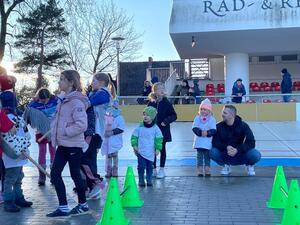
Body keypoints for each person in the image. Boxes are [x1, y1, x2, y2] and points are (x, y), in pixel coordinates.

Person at [47, 70, 89, 217]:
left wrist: (65, 131)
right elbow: (57, 121)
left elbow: (82, 125)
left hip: (73, 145)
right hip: (62, 144)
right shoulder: (62, 100)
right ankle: (63, 207)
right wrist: (54, 133)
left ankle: (83, 204)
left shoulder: (76, 102)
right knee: (55, 173)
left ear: (71, 82)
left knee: (75, 174)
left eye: (62, 79)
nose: (59, 82)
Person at [0, 90, 32, 212]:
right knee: (11, 177)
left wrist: (23, 149)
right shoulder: (7, 116)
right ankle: (8, 200)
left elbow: (22, 133)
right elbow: (11, 136)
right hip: (11, 152)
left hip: (18, 150)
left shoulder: (14, 115)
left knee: (18, 176)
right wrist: (23, 149)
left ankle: (19, 197)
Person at [210, 105, 261, 176]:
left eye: (225, 113)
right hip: (226, 153)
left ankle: (249, 165)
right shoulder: (218, 126)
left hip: (240, 153)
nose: (222, 114)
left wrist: (237, 150)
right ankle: (225, 165)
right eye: (222, 112)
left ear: (232, 115)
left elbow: (251, 142)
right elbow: (215, 143)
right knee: (212, 152)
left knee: (256, 154)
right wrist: (226, 147)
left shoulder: (243, 126)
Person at [28, 88, 58, 186]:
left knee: (53, 151)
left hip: (52, 130)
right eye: (42, 100)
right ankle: (42, 175)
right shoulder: (35, 104)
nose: (44, 102)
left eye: (46, 100)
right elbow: (28, 111)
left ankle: (54, 174)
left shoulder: (55, 101)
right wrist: (34, 101)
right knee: (42, 152)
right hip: (41, 131)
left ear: (49, 97)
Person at [148, 82, 177, 178]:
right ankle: (153, 169)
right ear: (155, 91)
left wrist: (166, 121)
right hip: (152, 131)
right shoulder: (151, 103)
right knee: (153, 150)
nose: (161, 90)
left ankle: (162, 169)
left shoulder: (167, 103)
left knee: (162, 149)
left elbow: (174, 115)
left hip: (163, 131)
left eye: (162, 88)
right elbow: (146, 114)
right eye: (159, 89)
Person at [131, 106, 163, 187]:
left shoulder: (155, 128)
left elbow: (159, 139)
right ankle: (141, 180)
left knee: (149, 167)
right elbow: (134, 137)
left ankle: (149, 179)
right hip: (141, 151)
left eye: (147, 115)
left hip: (150, 152)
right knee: (141, 166)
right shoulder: (140, 127)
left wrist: (158, 148)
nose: (145, 116)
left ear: (152, 117)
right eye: (144, 114)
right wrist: (134, 145)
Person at [192, 99, 216, 176]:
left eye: (205, 109)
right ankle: (199, 170)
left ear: (209, 110)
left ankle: (207, 170)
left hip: (207, 142)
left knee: (207, 157)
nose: (203, 111)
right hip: (199, 142)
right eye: (201, 109)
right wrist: (200, 133)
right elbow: (194, 127)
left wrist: (207, 133)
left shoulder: (212, 119)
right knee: (199, 157)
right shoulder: (197, 118)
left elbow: (213, 130)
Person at [102, 99, 125, 178]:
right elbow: (102, 126)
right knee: (108, 155)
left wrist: (112, 132)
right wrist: (104, 132)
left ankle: (115, 169)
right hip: (107, 140)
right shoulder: (105, 118)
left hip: (115, 139)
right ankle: (108, 170)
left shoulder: (119, 118)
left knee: (114, 154)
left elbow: (121, 128)